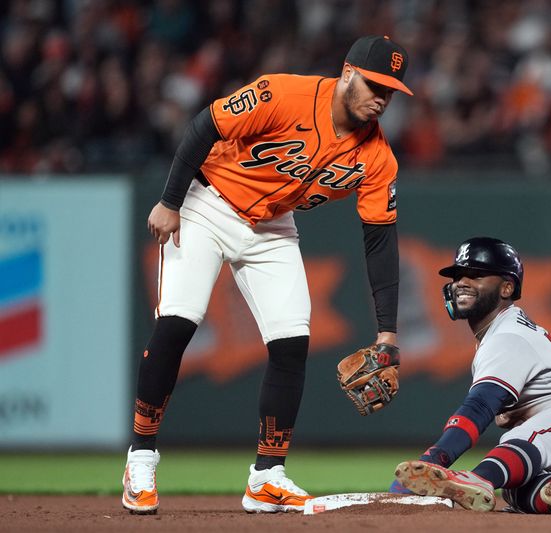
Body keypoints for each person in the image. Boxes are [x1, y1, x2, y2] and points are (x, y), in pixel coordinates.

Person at [121, 35, 412, 515]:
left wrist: (387, 332)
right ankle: (142, 457)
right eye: (375, 84)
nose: (381, 97)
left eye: (391, 90)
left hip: (274, 226)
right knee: (178, 322)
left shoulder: (377, 157)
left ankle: (266, 476)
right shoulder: (284, 93)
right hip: (206, 203)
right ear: (347, 73)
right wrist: (170, 201)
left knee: (292, 339)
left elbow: (380, 242)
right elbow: (204, 126)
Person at [393, 237, 551, 513]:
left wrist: (433, 460)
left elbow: (479, 407)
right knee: (517, 490)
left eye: (476, 275)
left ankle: (479, 478)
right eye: (458, 275)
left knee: (520, 442)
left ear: (507, 287)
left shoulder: (508, 336)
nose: (462, 282)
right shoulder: (501, 334)